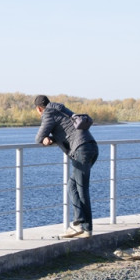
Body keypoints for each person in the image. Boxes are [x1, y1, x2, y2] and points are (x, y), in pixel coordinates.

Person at [34, 95, 99, 238]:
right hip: (91, 147)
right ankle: (79, 223)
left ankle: (85, 228)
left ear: (39, 108)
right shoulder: (62, 109)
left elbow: (38, 137)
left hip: (81, 150)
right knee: (72, 186)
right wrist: (52, 138)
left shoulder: (48, 114)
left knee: (82, 190)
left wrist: (46, 139)